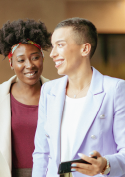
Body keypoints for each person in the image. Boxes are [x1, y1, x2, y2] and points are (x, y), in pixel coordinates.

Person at [33, 17, 125, 177]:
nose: (52, 54)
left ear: (85, 49)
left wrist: (105, 164)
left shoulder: (114, 89)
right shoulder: (49, 90)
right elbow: (42, 152)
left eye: (60, 45)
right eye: (53, 46)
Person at [0, 19, 52, 177]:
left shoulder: (58, 93)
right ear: (11, 63)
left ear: (43, 58)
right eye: (21, 60)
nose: (29, 65)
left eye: (35, 57)